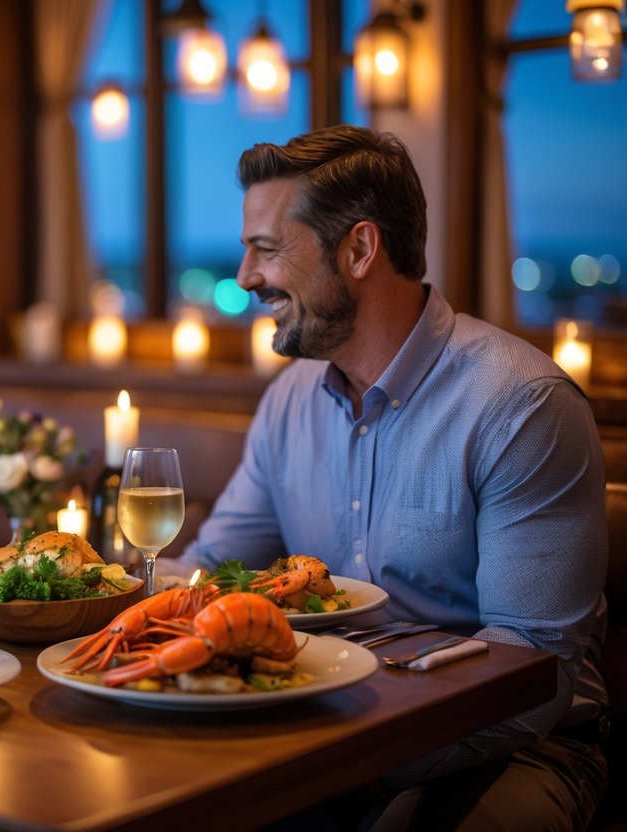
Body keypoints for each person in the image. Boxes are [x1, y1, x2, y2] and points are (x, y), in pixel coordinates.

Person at [176, 125, 608, 830]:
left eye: (265, 248)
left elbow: (535, 674)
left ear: (358, 249)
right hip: (321, 724)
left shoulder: (519, 404)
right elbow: (208, 573)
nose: (245, 276)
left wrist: (332, 763)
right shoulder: (287, 401)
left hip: (522, 743)